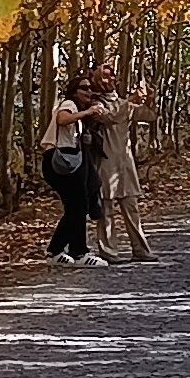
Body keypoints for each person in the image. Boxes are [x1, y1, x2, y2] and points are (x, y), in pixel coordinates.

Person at [43, 75, 115, 266]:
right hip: (63, 159)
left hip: (70, 159)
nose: (89, 92)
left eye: (91, 89)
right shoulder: (69, 104)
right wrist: (88, 112)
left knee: (76, 207)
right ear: (74, 91)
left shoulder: (79, 110)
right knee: (78, 205)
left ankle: (56, 251)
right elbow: (62, 119)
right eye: (84, 88)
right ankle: (79, 252)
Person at [92, 65, 153, 262]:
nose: (107, 81)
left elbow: (148, 116)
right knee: (106, 209)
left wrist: (149, 98)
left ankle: (141, 249)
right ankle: (109, 251)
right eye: (103, 77)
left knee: (131, 207)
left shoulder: (121, 102)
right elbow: (109, 117)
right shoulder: (93, 104)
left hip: (125, 162)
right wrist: (131, 100)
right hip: (105, 161)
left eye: (110, 77)